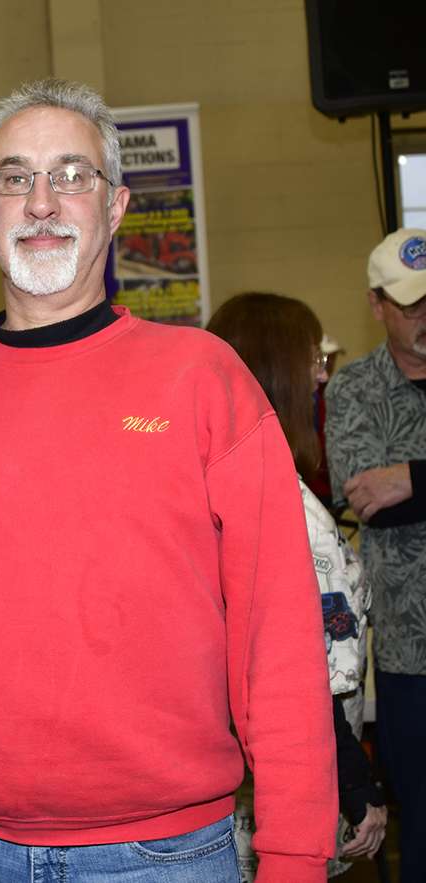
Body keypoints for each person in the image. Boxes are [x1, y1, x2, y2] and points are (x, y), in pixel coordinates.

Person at [0, 78, 337, 883]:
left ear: (117, 205)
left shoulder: (203, 380)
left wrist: (295, 855)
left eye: (72, 175)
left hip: (164, 855)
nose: (42, 202)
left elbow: (279, 633)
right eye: (15, 178)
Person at [207, 292, 387, 878]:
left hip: (243, 791)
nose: (322, 375)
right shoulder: (288, 507)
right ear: (278, 371)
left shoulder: (218, 486)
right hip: (290, 788)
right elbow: (309, 673)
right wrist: (358, 787)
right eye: (314, 359)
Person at [325, 227, 426, 883]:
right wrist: (394, 489)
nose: (425, 316)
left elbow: (396, 493)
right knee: (420, 826)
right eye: (411, 304)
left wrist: (412, 477)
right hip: (410, 654)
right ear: (377, 304)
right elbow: (368, 499)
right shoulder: (356, 388)